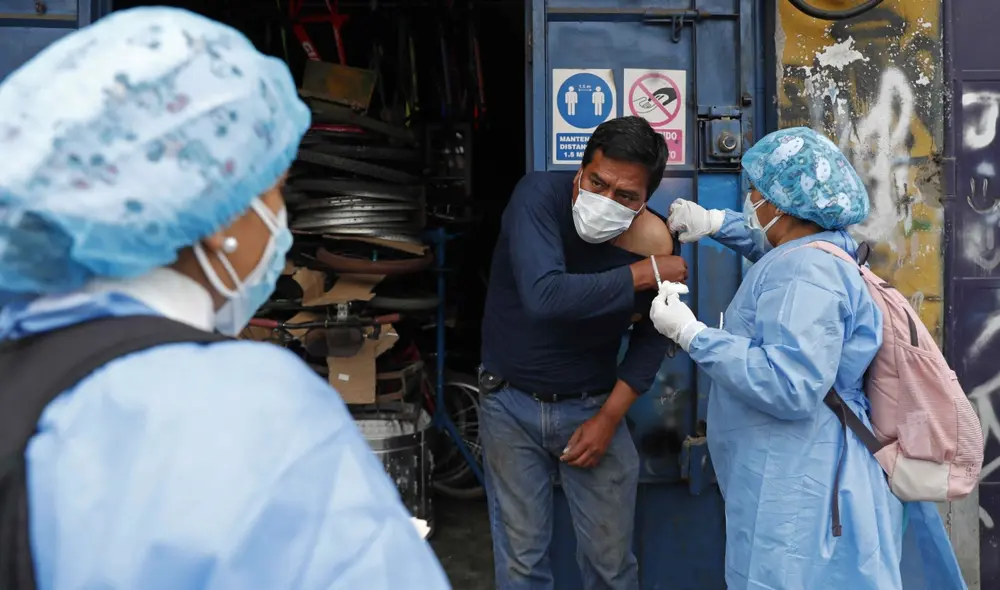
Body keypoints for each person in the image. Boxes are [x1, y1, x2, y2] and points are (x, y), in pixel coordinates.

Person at [0, 8, 449, 590]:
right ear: (217, 217)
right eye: (276, 190)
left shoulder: (20, 365)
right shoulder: (250, 410)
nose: (281, 223)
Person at [649, 127, 967, 589]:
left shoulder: (806, 273)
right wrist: (718, 224)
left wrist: (693, 334)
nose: (750, 201)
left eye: (754, 194)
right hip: (806, 469)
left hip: (801, 484)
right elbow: (784, 250)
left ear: (779, 205)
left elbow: (790, 385)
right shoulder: (824, 250)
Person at [479, 116, 686, 590]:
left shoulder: (653, 240)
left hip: (594, 404)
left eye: (626, 196)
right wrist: (643, 274)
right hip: (508, 404)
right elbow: (545, 297)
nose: (606, 200)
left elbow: (655, 335)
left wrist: (609, 418)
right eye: (598, 183)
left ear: (644, 201)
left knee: (611, 567)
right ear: (580, 171)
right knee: (521, 565)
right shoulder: (539, 198)